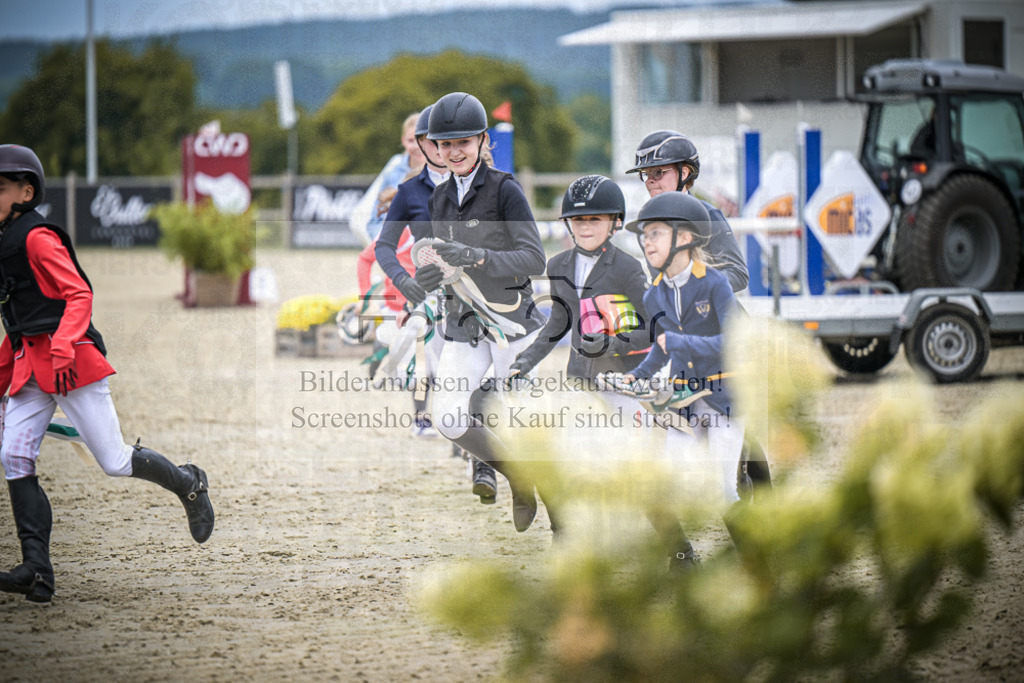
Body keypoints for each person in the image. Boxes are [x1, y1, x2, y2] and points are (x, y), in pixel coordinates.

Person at [0, 145, 214, 603]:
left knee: (114, 462)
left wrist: (61, 344)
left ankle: (188, 483)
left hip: (70, 363)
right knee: (15, 456)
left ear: (26, 191)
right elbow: (14, 323)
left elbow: (79, 293)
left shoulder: (38, 238)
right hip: (29, 368)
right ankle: (37, 570)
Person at [413, 92, 547, 530]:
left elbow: (534, 259)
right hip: (465, 324)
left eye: (463, 144)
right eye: (445, 145)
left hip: (512, 322)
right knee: (448, 417)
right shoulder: (438, 199)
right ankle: (519, 479)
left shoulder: (506, 191)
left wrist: (475, 255)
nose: (453, 152)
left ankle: (562, 522)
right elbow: (445, 265)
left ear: (483, 142)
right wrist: (433, 278)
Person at [629, 130, 771, 493]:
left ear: (685, 173)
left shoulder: (708, 216)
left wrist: (694, 278)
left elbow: (739, 273)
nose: (651, 181)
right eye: (647, 175)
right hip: (683, 337)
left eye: (658, 172)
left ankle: (766, 496)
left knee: (741, 425)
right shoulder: (650, 220)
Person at [621, 191, 745, 556]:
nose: (646, 241)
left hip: (725, 402)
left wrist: (680, 343)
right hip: (684, 407)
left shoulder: (715, 283)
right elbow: (662, 349)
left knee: (724, 490)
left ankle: (761, 565)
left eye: (655, 233)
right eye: (644, 235)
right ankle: (683, 556)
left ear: (686, 238)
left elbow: (732, 343)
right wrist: (638, 376)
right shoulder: (654, 295)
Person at [373, 105, 451, 438]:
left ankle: (466, 432)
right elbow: (382, 245)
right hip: (427, 286)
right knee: (426, 357)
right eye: (429, 142)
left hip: (474, 287)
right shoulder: (409, 189)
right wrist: (403, 281)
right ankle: (421, 417)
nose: (439, 149)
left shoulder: (480, 184)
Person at [350, 112, 426, 245]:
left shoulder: (443, 169)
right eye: (410, 140)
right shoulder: (393, 171)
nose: (416, 146)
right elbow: (376, 217)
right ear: (403, 141)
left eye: (421, 140)